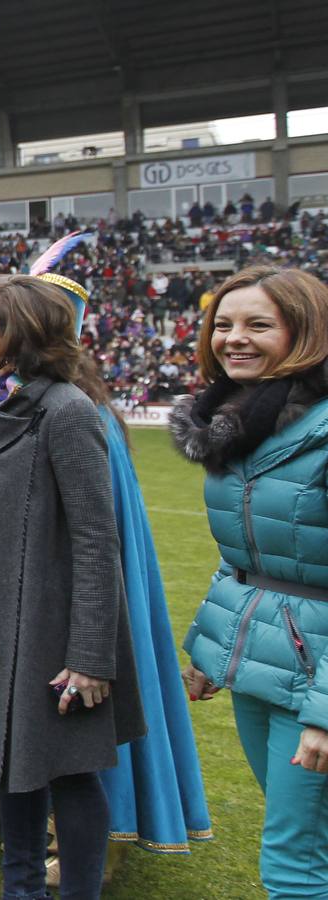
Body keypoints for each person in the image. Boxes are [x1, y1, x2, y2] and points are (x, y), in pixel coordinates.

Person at [0, 274, 146, 900]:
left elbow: (94, 540)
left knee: (71, 775)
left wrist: (88, 656)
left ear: (19, 334)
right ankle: (21, 890)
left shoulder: (67, 411)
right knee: (10, 769)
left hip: (51, 633)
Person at [31, 246, 212, 886]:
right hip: (51, 592)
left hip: (83, 601)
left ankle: (97, 838)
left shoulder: (79, 414)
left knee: (85, 710)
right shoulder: (52, 406)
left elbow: (92, 538)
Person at [171, 265, 328, 899]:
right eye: (224, 324)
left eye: (259, 324)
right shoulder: (237, 424)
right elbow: (242, 557)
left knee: (292, 864)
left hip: (314, 681)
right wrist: (209, 653)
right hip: (257, 666)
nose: (234, 338)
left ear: (307, 331)